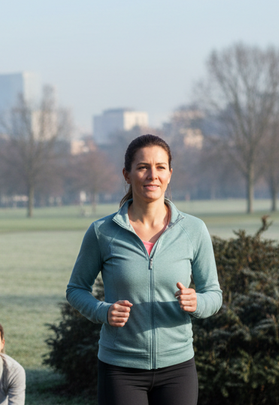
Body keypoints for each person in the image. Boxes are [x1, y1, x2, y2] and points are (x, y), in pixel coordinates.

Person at [66, 134, 222, 405]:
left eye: (160, 167)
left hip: (178, 368)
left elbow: (214, 295)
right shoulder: (103, 232)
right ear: (127, 174)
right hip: (120, 368)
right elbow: (76, 289)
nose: (153, 175)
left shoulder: (194, 230)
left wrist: (197, 302)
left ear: (170, 174)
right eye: (143, 167)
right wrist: (103, 311)